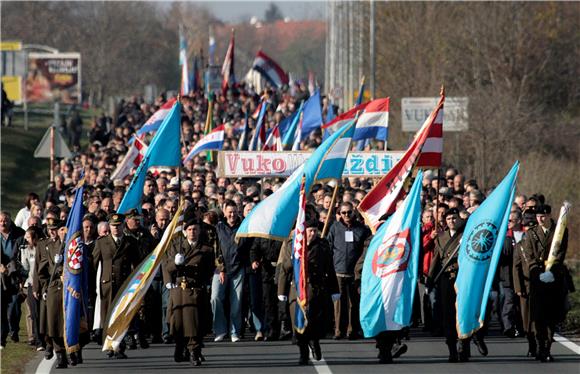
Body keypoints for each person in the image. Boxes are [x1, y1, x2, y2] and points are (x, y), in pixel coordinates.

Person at [278, 216, 340, 365]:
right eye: (310, 231)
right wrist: (281, 292)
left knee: (316, 322)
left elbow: (329, 269)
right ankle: (303, 354)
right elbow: (285, 270)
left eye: (315, 231)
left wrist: (334, 290)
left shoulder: (323, 246)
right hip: (297, 291)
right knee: (299, 324)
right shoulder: (293, 245)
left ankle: (314, 341)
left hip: (317, 290)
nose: (313, 234)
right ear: (303, 231)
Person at [520, 204, 568, 362]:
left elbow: (560, 253)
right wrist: (538, 272)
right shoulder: (531, 233)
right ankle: (541, 345)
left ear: (549, 215)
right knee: (539, 316)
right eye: (538, 216)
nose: (540, 219)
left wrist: (551, 271)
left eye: (543, 216)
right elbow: (529, 256)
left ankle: (547, 347)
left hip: (554, 278)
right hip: (537, 280)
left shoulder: (559, 231)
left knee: (552, 315)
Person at [164, 219, 214, 366]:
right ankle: (181, 347)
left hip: (195, 289)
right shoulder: (175, 247)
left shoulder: (206, 249)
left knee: (195, 324)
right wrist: (176, 263)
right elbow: (167, 266)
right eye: (190, 229)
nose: (192, 232)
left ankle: (194, 351)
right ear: (185, 231)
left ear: (199, 231)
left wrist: (200, 282)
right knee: (178, 323)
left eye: (195, 229)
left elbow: (209, 270)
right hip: (179, 290)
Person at [92, 213, 141, 359]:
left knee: (121, 316)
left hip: (124, 284)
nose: (115, 229)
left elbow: (137, 264)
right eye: (113, 226)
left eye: (118, 226)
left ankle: (119, 346)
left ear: (123, 226)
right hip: (107, 284)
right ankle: (109, 344)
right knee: (108, 315)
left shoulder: (130, 242)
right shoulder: (101, 242)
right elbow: (94, 263)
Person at [427, 208, 470, 362]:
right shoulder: (440, 238)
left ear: (460, 219)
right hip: (446, 278)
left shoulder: (466, 235)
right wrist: (430, 280)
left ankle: (464, 346)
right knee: (448, 314)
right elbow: (436, 260)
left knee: (463, 313)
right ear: (445, 221)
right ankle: (452, 348)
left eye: (455, 217)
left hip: (462, 277)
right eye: (449, 218)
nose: (452, 220)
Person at [326, 202, 370, 340]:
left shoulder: (362, 229)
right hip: (338, 271)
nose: (346, 215)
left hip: (355, 273)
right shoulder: (334, 228)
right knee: (338, 304)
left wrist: (360, 266)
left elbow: (367, 248)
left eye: (349, 212)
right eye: (343, 212)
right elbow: (328, 246)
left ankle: (353, 330)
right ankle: (339, 330)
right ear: (339, 213)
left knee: (353, 303)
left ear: (354, 213)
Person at [212, 200, 250, 342]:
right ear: (224, 212)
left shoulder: (243, 227)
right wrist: (221, 269)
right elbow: (216, 249)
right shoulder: (219, 228)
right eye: (230, 212)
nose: (232, 214)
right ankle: (220, 330)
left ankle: (235, 331)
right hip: (220, 269)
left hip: (238, 268)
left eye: (234, 211)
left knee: (237, 301)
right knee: (215, 298)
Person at [37, 219, 69, 368]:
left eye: (56, 229)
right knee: (53, 323)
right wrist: (44, 288)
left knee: (68, 322)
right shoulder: (47, 246)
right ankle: (60, 354)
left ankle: (73, 351)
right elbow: (41, 270)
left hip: (68, 287)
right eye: (50, 229)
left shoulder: (68, 245)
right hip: (53, 287)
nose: (53, 232)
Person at [0, 211, 25, 345]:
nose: (3, 223)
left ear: (10, 221)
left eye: (5, 220)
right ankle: (2, 337)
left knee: (15, 304)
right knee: (2, 306)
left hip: (15, 274)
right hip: (1, 276)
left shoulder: (19, 234)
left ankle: (14, 329)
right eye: (1, 221)